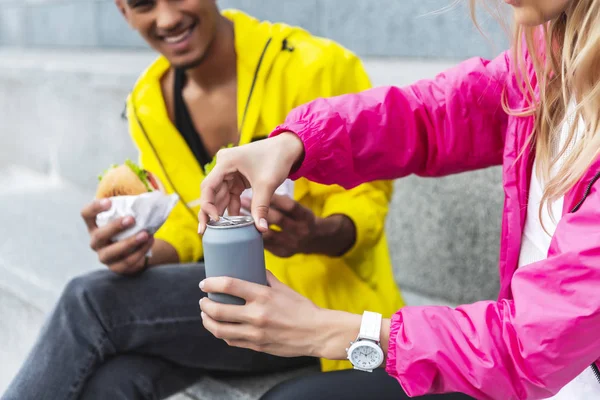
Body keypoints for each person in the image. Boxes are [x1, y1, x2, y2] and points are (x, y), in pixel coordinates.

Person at [1, 1, 405, 399]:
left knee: (90, 300)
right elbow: (189, 216)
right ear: (124, 13)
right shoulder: (148, 102)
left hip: (318, 305)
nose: (168, 18)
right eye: (144, 5)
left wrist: (316, 233)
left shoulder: (316, 64)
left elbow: (369, 199)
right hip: (224, 307)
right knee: (115, 382)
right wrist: (141, 251)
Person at [197, 0, 600, 399]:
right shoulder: (552, 54)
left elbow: (529, 347)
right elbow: (435, 115)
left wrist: (328, 331)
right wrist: (296, 144)